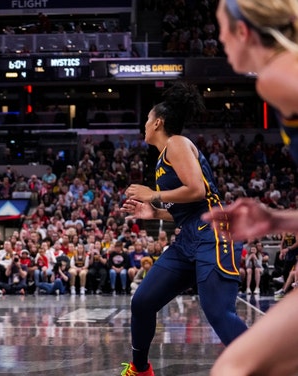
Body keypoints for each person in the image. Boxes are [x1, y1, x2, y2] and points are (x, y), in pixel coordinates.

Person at [120, 81, 247, 376]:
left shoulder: (175, 143)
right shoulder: (163, 160)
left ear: (158, 122)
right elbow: (185, 211)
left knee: (217, 311)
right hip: (189, 237)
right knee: (142, 302)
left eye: (147, 120)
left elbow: (198, 191)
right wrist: (154, 213)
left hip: (215, 234)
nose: (144, 125)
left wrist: (153, 194)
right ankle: (140, 370)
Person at [202, 1, 298, 375]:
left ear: (243, 32)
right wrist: (275, 220)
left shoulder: (277, 76)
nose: (220, 39)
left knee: (235, 368)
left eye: (222, 29)